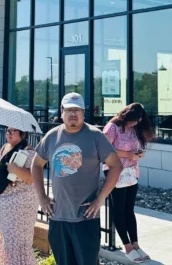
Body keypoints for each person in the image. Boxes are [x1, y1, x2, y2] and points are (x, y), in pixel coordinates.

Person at [32, 93, 122, 265]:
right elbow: (36, 165)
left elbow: (116, 166)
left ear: (83, 112)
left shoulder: (95, 136)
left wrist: (100, 199)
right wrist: (42, 198)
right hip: (58, 217)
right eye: (69, 110)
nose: (73, 114)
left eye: (77, 110)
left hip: (85, 218)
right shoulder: (52, 136)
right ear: (62, 111)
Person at [103, 103, 154, 262]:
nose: (134, 124)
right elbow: (103, 149)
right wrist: (127, 154)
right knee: (119, 210)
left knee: (129, 210)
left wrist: (137, 154)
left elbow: (134, 148)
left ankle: (136, 244)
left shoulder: (134, 128)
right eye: (133, 120)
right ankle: (127, 247)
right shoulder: (113, 127)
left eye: (137, 121)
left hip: (131, 172)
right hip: (115, 171)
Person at [0, 126, 37, 265]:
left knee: (18, 245)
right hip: (4, 207)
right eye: (7, 131)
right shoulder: (5, 147)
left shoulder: (29, 153)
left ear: (23, 134)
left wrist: (16, 169)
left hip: (19, 208)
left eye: (12, 131)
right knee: (8, 242)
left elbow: (31, 178)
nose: (8, 134)